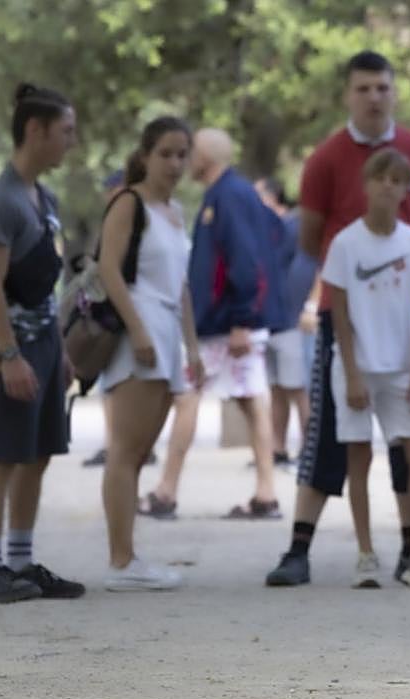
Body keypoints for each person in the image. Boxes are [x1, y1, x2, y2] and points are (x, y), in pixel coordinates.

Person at [264, 49, 410, 587]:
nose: (374, 97)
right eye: (363, 88)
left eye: (382, 87)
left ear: (394, 91)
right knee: (329, 433)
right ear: (348, 94)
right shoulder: (326, 158)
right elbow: (311, 238)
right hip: (347, 317)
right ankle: (299, 548)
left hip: (407, 314)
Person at [0, 83, 85, 604]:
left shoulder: (45, 198)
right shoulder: (2, 200)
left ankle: (20, 562)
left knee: (37, 454)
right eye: (65, 132)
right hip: (9, 348)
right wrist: (9, 353)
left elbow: (44, 287)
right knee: (2, 456)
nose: (71, 142)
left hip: (43, 345)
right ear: (35, 131)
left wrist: (59, 348)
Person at [141, 128, 283, 520]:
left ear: (205, 157)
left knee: (188, 395)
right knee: (251, 401)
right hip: (228, 320)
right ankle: (266, 493)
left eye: (189, 153)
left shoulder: (229, 196)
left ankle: (166, 491)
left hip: (228, 323)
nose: (184, 161)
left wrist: (241, 321)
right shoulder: (223, 194)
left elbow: (245, 258)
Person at [325, 149, 410, 587]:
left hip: (401, 371)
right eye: (380, 178)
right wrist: (353, 373)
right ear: (366, 185)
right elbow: (338, 314)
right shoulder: (345, 244)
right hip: (357, 368)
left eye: (397, 180)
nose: (387, 186)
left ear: (406, 190)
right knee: (359, 456)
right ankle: (366, 553)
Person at [97, 117, 199, 591]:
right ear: (145, 156)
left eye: (182, 154)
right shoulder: (128, 203)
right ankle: (121, 560)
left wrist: (192, 346)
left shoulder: (175, 211)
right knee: (125, 449)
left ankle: (129, 555)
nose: (175, 164)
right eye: (166, 154)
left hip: (167, 331)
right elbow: (109, 269)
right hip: (139, 327)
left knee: (139, 452)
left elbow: (181, 286)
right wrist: (138, 330)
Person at [81, 170, 159, 470]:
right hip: (118, 313)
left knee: (122, 384)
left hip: (121, 314)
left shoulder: (130, 219)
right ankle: (117, 441)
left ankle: (123, 444)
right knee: (112, 384)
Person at [255, 176, 315, 466]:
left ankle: (309, 448)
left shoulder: (295, 226)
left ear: (271, 197)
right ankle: (276, 449)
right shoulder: (265, 231)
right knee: (277, 388)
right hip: (269, 321)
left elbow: (312, 266)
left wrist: (307, 307)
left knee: (298, 387)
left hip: (291, 318)